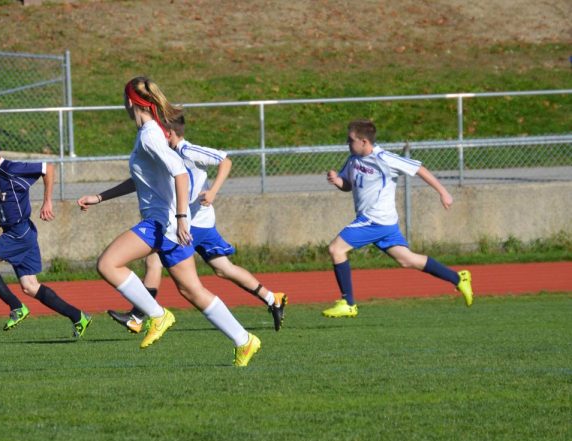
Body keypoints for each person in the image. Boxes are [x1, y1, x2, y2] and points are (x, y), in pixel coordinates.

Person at [77, 76, 261, 367]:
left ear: (129, 102)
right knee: (191, 290)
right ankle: (244, 340)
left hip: (160, 224)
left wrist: (180, 218)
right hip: (169, 224)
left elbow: (180, 173)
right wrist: (100, 197)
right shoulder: (152, 134)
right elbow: (143, 180)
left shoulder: (150, 134)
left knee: (108, 264)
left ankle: (157, 315)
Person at [106, 115, 288, 333]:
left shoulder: (187, 151)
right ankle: (272, 298)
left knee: (157, 262)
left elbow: (225, 161)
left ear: (169, 133)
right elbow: (140, 180)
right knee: (221, 269)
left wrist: (212, 192)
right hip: (182, 220)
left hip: (195, 223)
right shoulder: (164, 154)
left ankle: (139, 316)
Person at [0, 132, 91, 338]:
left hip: (19, 233)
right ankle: (79, 317)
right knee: (30, 287)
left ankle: (17, 308)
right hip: (20, 233)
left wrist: (47, 200)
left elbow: (47, 168)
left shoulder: (11, 169)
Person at [322, 119, 474, 318]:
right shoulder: (353, 159)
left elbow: (419, 169)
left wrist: (443, 192)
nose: (347, 143)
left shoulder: (384, 158)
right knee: (407, 259)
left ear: (364, 142)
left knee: (336, 249)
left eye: (350, 140)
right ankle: (458, 278)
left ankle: (348, 303)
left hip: (375, 220)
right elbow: (348, 184)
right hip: (382, 223)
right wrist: (337, 180)